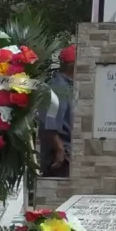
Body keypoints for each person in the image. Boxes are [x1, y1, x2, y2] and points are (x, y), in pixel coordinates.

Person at [38, 44, 75, 177]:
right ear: (73, 66)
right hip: (61, 160)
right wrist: (60, 150)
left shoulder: (70, 86)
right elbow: (48, 124)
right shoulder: (58, 87)